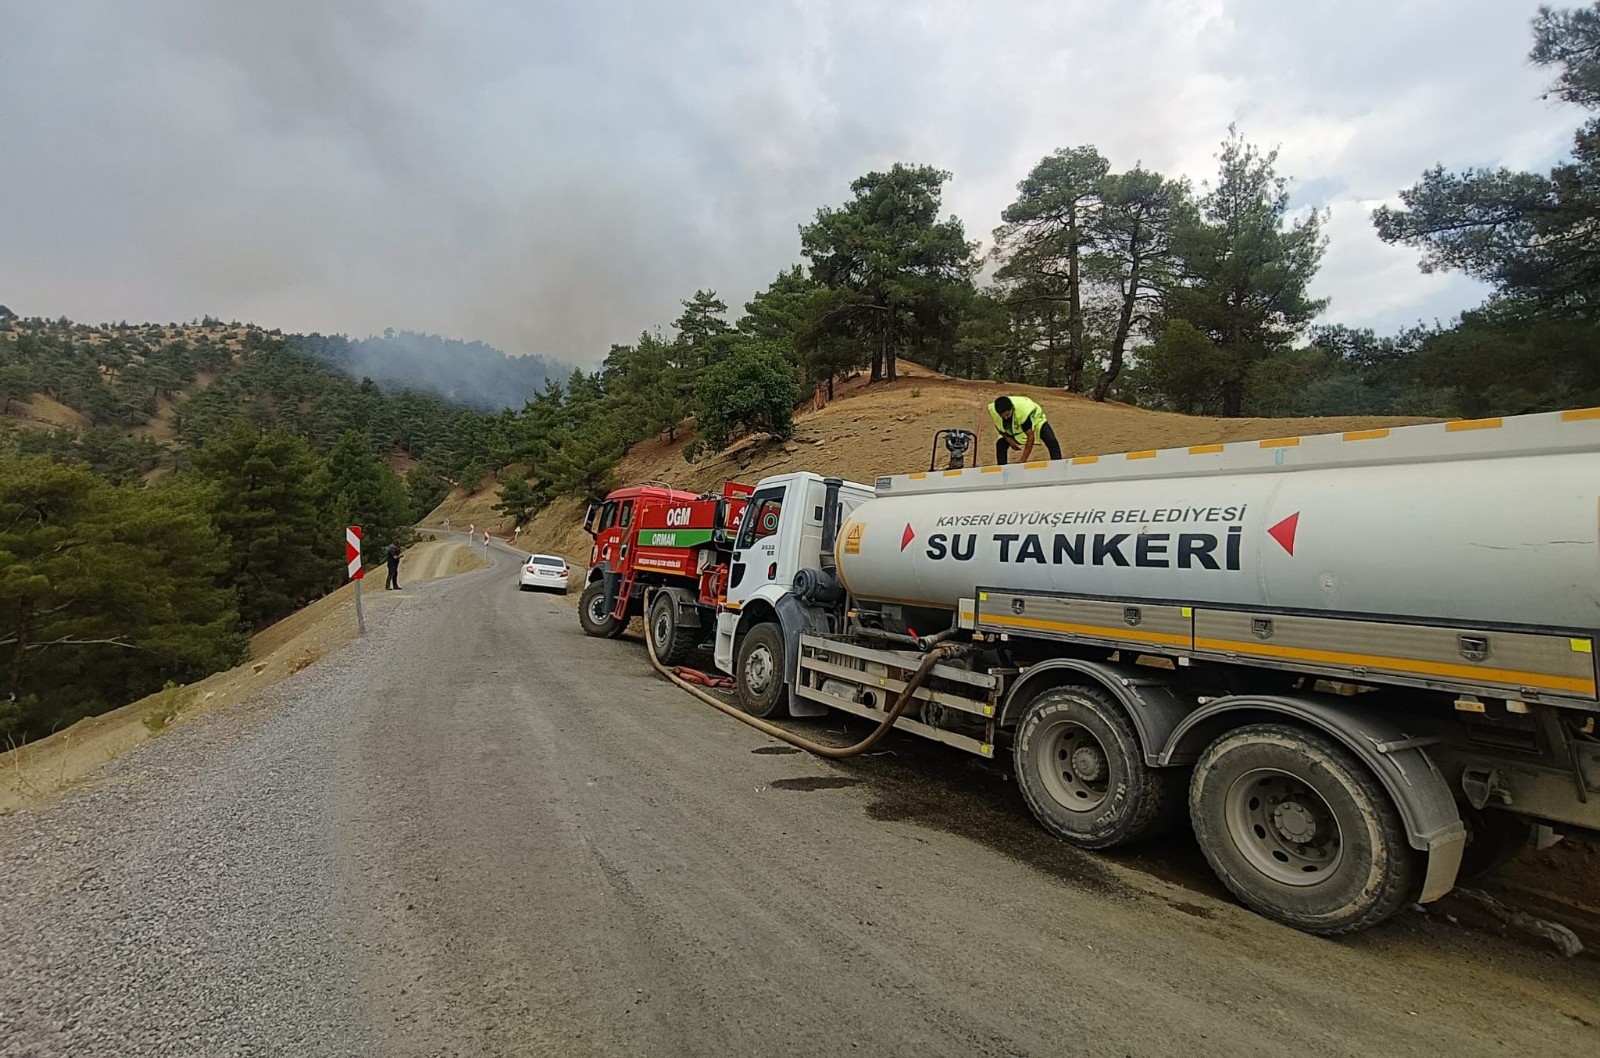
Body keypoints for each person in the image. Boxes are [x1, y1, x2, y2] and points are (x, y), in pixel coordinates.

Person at [988, 394, 1061, 465]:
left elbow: (1030, 437)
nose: (1005, 418)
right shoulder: (995, 411)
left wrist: (1022, 461)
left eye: (1007, 415)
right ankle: (1002, 472)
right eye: (1003, 416)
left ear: (1012, 409)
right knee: (1000, 444)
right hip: (1015, 428)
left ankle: (1058, 465)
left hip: (1036, 421)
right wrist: (1009, 440)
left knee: (1051, 441)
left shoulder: (1023, 412)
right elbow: (998, 426)